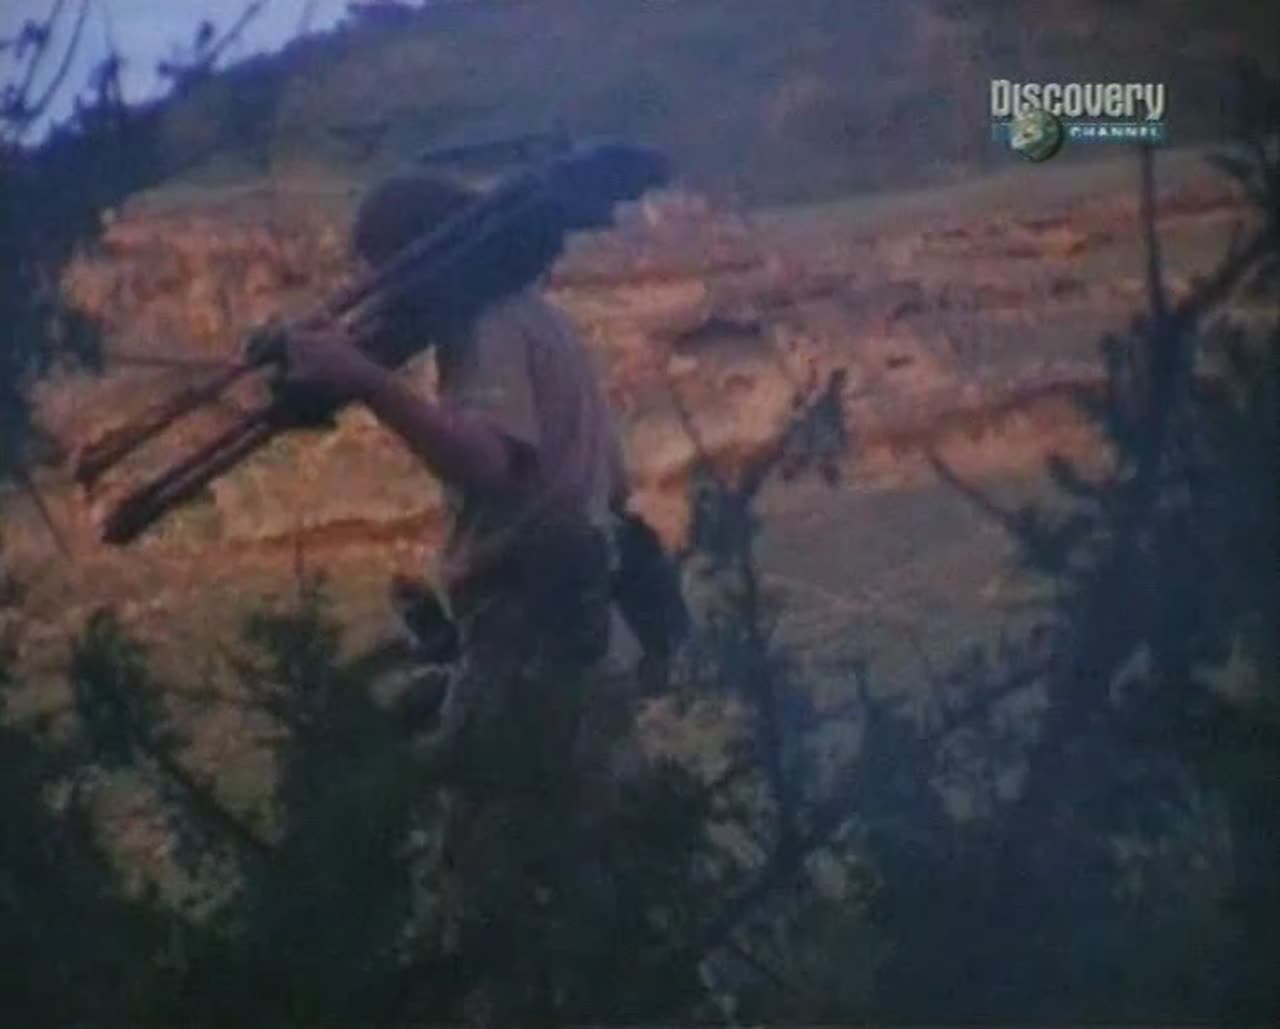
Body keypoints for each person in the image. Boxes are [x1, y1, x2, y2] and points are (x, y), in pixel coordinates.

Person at [278, 170, 668, 1026]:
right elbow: (603, 483)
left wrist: (364, 378)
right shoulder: (543, 321)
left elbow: (486, 458)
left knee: (495, 901)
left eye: (385, 272)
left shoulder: (487, 325)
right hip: (588, 629)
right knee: (592, 888)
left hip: (527, 636)